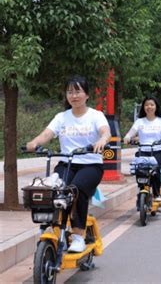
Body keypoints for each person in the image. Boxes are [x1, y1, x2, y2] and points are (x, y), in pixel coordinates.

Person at [26, 76, 111, 253]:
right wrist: (34, 143)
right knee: (53, 189)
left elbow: (106, 132)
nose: (74, 95)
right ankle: (56, 227)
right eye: (70, 92)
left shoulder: (96, 115)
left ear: (87, 94)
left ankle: (79, 236)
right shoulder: (61, 117)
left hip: (90, 165)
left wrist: (102, 140)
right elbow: (47, 134)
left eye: (78, 91)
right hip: (67, 163)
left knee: (76, 189)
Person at [124, 96, 161, 203]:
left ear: (156, 107)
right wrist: (127, 138)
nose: (149, 107)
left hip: (158, 151)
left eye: (152, 104)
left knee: (155, 169)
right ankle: (142, 188)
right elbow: (130, 133)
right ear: (144, 107)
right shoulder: (139, 122)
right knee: (139, 169)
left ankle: (157, 193)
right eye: (147, 105)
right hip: (143, 151)